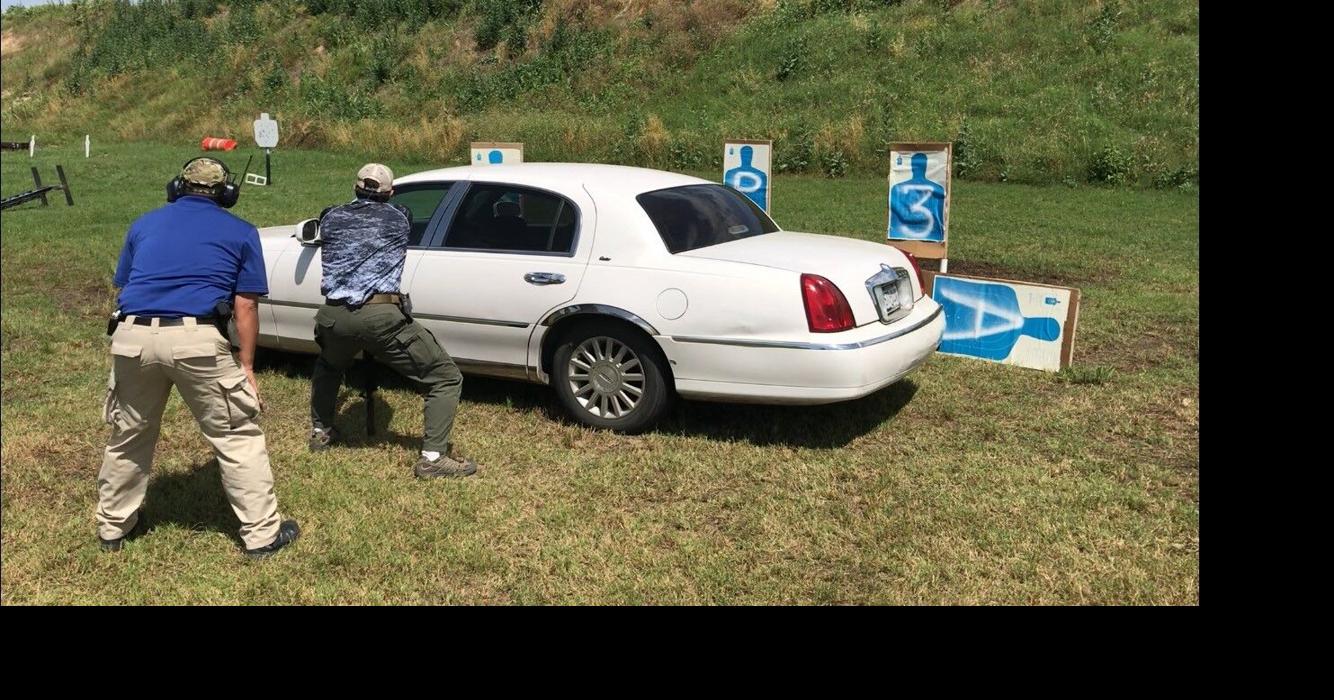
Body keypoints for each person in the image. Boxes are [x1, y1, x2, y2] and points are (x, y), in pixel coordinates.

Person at [98, 157, 299, 559]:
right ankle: (261, 537)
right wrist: (246, 365)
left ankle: (112, 529)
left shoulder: (142, 224)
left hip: (131, 337)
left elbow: (125, 284)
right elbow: (245, 306)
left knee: (129, 435)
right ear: (226, 194)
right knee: (237, 437)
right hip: (197, 340)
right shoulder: (241, 232)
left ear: (177, 187)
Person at [308, 163, 478, 479]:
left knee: (329, 366)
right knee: (444, 377)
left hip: (333, 316)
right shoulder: (400, 216)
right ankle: (433, 457)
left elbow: (332, 215)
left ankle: (321, 431)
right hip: (380, 316)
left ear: (356, 188)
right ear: (390, 193)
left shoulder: (330, 216)